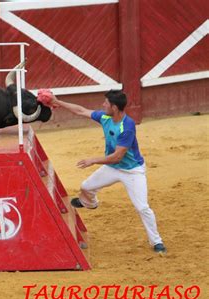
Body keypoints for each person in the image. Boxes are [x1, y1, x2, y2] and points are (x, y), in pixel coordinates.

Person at [50, 89, 167, 255]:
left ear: (114, 107)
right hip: (112, 168)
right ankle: (90, 203)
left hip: (132, 171)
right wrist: (58, 101)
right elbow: (81, 110)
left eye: (106, 103)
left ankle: (157, 242)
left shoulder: (127, 126)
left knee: (142, 207)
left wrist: (93, 160)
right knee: (86, 187)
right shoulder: (106, 117)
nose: (102, 105)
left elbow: (117, 157)